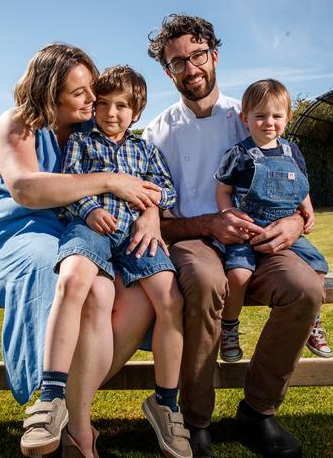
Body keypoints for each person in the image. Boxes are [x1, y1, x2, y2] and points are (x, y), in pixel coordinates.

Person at [143, 14, 324, 458]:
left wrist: (296, 223)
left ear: (214, 56)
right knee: (207, 283)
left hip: (259, 241)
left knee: (304, 288)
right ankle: (195, 420)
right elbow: (157, 222)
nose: (191, 68)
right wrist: (209, 224)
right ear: (168, 72)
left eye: (198, 55)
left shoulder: (247, 115)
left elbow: (291, 181)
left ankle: (257, 413)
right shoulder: (156, 133)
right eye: (177, 62)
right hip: (194, 242)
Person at [0, 43, 163, 458]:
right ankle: (70, 422)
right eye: (80, 92)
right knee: (67, 281)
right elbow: (27, 188)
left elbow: (139, 178)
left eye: (92, 90)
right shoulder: (17, 124)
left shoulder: (91, 131)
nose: (93, 98)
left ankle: (71, 408)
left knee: (124, 292)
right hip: (28, 230)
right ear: (50, 93)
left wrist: (151, 214)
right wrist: (106, 180)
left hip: (82, 226)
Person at [55, 65, 192, 458]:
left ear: (137, 112)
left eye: (122, 106)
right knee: (79, 280)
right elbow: (68, 184)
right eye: (103, 104)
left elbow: (167, 191)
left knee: (171, 300)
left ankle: (165, 402)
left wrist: (151, 208)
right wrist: (88, 209)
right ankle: (58, 397)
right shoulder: (82, 143)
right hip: (96, 230)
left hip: (136, 235)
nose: (111, 113)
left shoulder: (145, 150)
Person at [213, 79, 330, 363]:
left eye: (277, 116)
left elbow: (301, 186)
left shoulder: (292, 152)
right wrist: (228, 213)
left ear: (287, 118)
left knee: (317, 270)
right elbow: (223, 190)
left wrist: (307, 211)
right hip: (248, 230)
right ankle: (229, 329)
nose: (269, 122)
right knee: (238, 275)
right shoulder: (239, 154)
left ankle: (313, 322)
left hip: (285, 232)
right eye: (260, 116)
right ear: (245, 119)